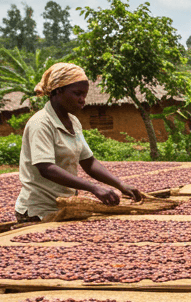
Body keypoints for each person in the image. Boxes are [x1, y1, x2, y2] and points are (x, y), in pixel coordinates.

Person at [14, 63, 144, 222]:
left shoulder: (73, 122)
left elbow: (88, 162)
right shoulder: (41, 123)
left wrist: (120, 185)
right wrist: (94, 188)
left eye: (84, 94)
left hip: (65, 206)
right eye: (77, 94)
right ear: (58, 90)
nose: (82, 100)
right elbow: (46, 168)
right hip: (38, 210)